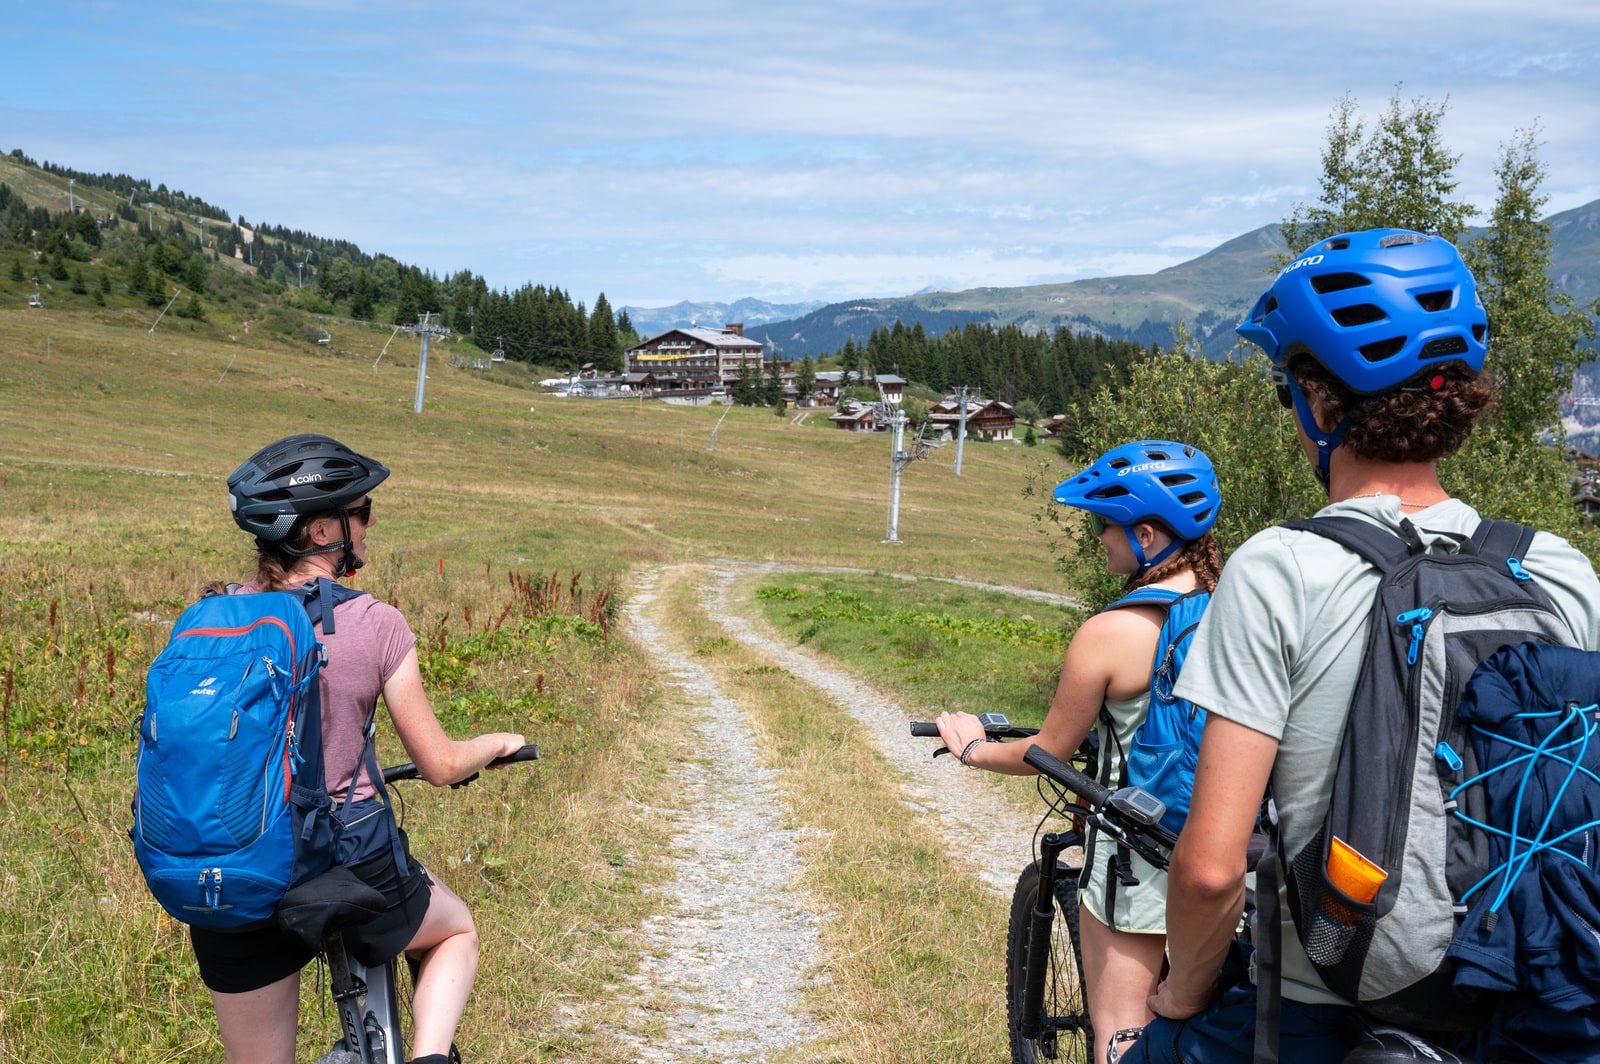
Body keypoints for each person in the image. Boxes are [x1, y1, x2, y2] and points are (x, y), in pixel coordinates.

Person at [1125, 230, 1600, 1063]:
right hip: (1545, 1005)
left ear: (1316, 398)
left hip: (1326, 1006)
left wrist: (1179, 995)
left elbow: (1209, 871)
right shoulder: (1558, 567)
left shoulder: (1281, 565)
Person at [191, 433, 526, 1064]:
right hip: (343, 860)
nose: (369, 523)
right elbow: (440, 764)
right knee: (454, 931)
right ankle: (427, 1058)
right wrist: (495, 743)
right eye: (360, 511)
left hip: (228, 868)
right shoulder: (375, 622)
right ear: (321, 530)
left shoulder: (213, 615)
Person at [936, 439, 1223, 1064]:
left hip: (1141, 853)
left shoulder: (1111, 632)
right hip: (1236, 848)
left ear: (1146, 535)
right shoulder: (1242, 609)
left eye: (1104, 524)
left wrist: (976, 751)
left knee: (1121, 1032)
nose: (1099, 539)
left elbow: (1049, 752)